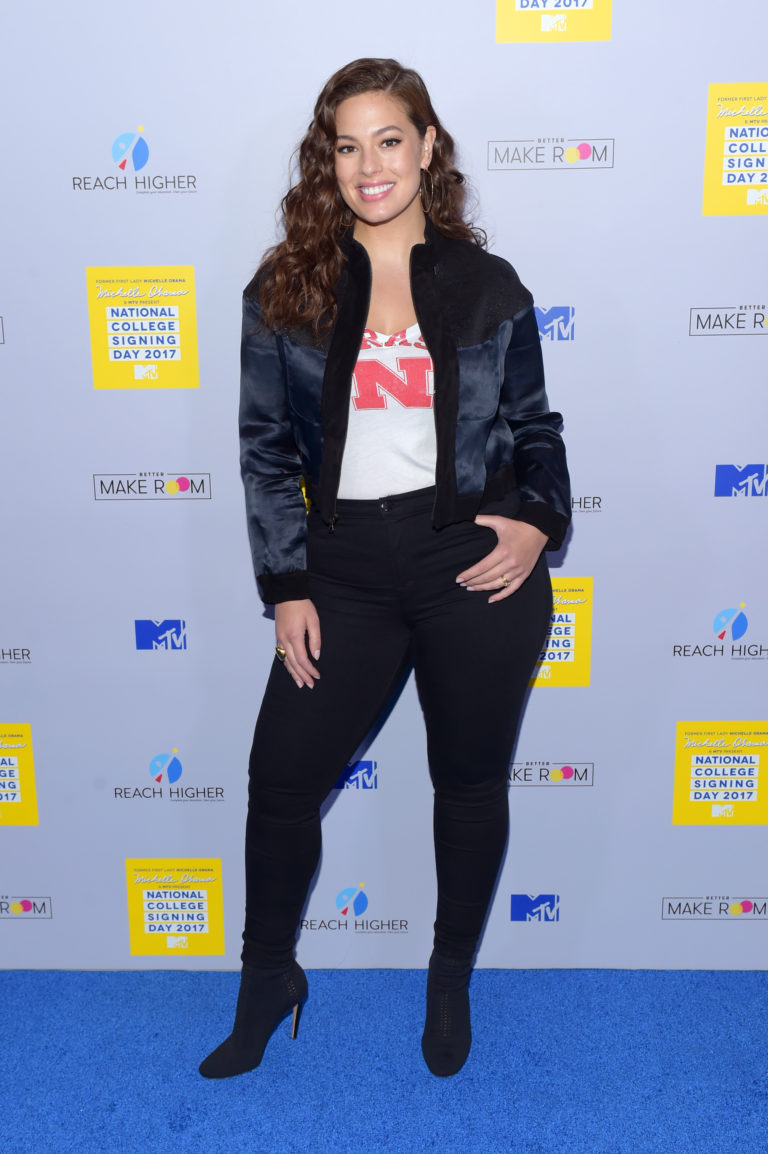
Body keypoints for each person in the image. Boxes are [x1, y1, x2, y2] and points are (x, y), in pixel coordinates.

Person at [199, 57, 570, 1081]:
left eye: (389, 140)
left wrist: (537, 522)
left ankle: (448, 975)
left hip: (471, 566)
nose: (371, 165)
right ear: (330, 160)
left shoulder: (488, 285)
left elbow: (535, 428)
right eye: (348, 145)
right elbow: (267, 448)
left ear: (427, 145)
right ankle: (266, 977)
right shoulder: (286, 286)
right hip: (346, 568)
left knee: (467, 781)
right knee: (279, 783)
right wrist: (286, 586)